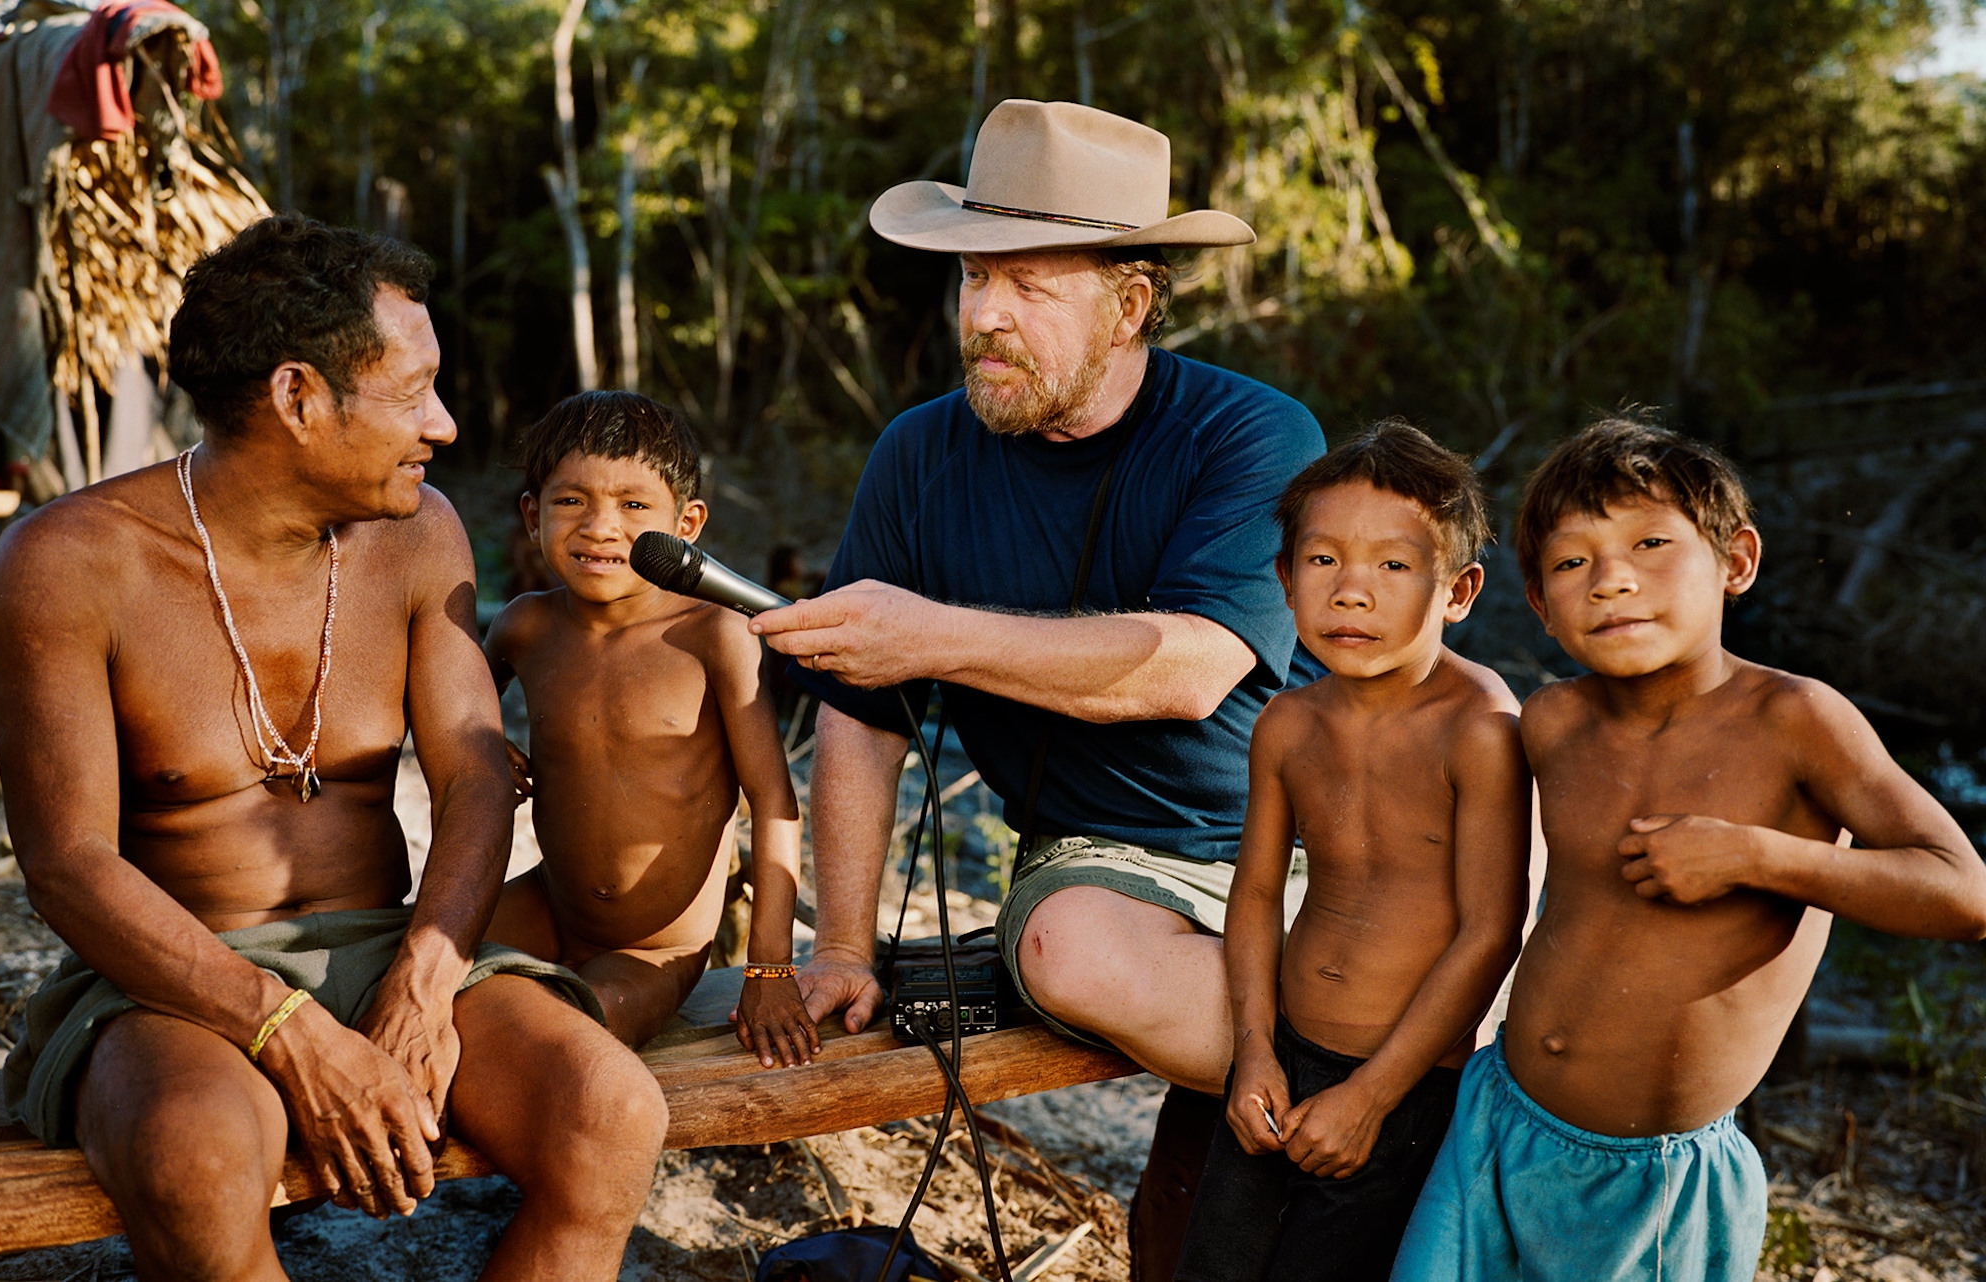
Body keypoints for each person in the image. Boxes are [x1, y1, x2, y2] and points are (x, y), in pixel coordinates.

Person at [0, 213, 665, 1281]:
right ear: (297, 396)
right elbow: (68, 866)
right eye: (411, 392)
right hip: (173, 979)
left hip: (396, 947)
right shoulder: (68, 561)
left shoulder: (416, 530)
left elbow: (476, 773)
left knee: (610, 1111)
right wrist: (289, 1031)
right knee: (197, 1161)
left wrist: (424, 982)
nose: (440, 425)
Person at [748, 99, 1327, 1271]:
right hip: (1104, 860)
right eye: (971, 281)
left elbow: (1186, 667)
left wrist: (931, 636)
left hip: (1310, 836)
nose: (986, 317)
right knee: (1063, 948)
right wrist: (848, 946)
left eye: (1028, 286)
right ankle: (1378, 1086)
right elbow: (861, 720)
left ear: (1130, 305)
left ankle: (1357, 1090)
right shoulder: (916, 454)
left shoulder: (1251, 434)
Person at [1390, 418, 1986, 1281]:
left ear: (1736, 561)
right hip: (1497, 1123)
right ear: (1539, 606)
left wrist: (1756, 857)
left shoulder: (1796, 721)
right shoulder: (1555, 724)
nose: (1612, 580)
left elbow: (1965, 893)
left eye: (1652, 542)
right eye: (1571, 562)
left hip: (1656, 1187)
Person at [1175, 422, 1531, 1282]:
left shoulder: (1479, 727)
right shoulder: (1288, 723)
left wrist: (1371, 1096)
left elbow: (1493, 929)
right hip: (1282, 1058)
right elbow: (1256, 893)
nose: (1352, 592)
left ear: (1459, 590)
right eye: (1324, 561)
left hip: (1405, 1084)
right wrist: (1253, 1051)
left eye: (1394, 566)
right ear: (1283, 580)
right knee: (1212, 1267)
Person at [481, 390, 814, 1066]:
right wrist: (483, 742)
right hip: (550, 904)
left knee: (560, 1042)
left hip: (655, 949)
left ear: (685, 524)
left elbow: (776, 805)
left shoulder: (712, 636)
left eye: (634, 506)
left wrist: (770, 968)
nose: (600, 528)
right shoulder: (525, 626)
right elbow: (451, 717)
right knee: (413, 979)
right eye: (571, 500)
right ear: (531, 513)